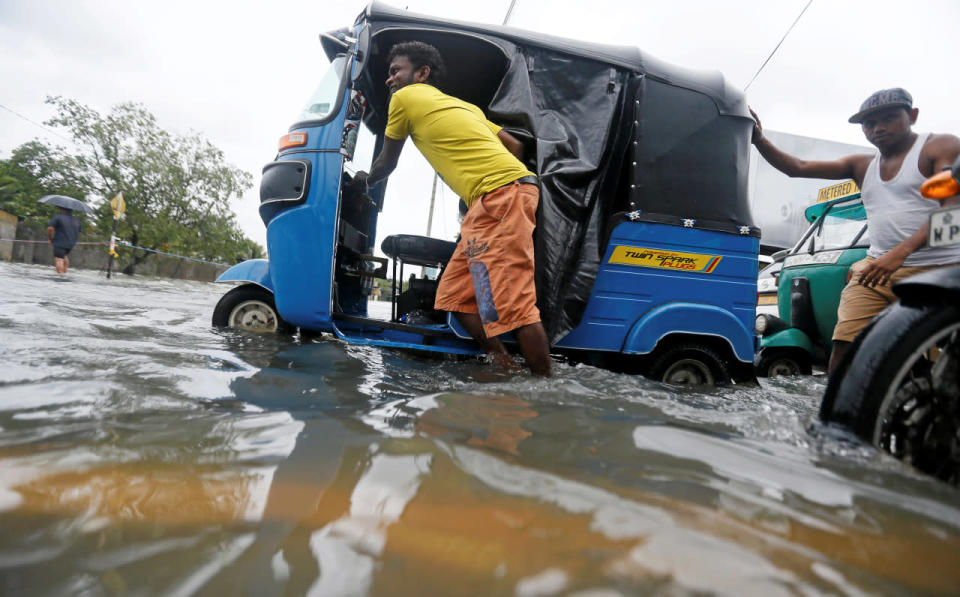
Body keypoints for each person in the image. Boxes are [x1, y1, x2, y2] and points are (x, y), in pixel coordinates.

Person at [351, 41, 552, 375]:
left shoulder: (404, 98)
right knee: (457, 296)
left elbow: (386, 162)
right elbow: (514, 144)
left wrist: (363, 181)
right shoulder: (465, 108)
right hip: (491, 204)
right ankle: (504, 365)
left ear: (422, 73)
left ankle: (546, 391)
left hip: (501, 200)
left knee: (515, 303)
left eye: (395, 71)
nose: (390, 80)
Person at [751, 88, 960, 374]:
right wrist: (759, 140)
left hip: (940, 268)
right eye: (870, 123)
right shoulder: (861, 165)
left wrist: (899, 255)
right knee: (843, 345)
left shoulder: (939, 147)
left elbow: (951, 210)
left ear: (913, 116)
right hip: (876, 270)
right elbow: (797, 167)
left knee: (942, 353)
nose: (879, 128)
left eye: (888, 118)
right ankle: (838, 414)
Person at [46, 207, 81, 274]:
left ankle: (60, 276)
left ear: (62, 209)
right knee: (64, 256)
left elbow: (50, 228)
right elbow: (79, 233)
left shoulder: (58, 217)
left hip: (60, 243)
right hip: (70, 244)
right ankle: (64, 273)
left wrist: (50, 239)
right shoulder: (76, 220)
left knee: (59, 259)